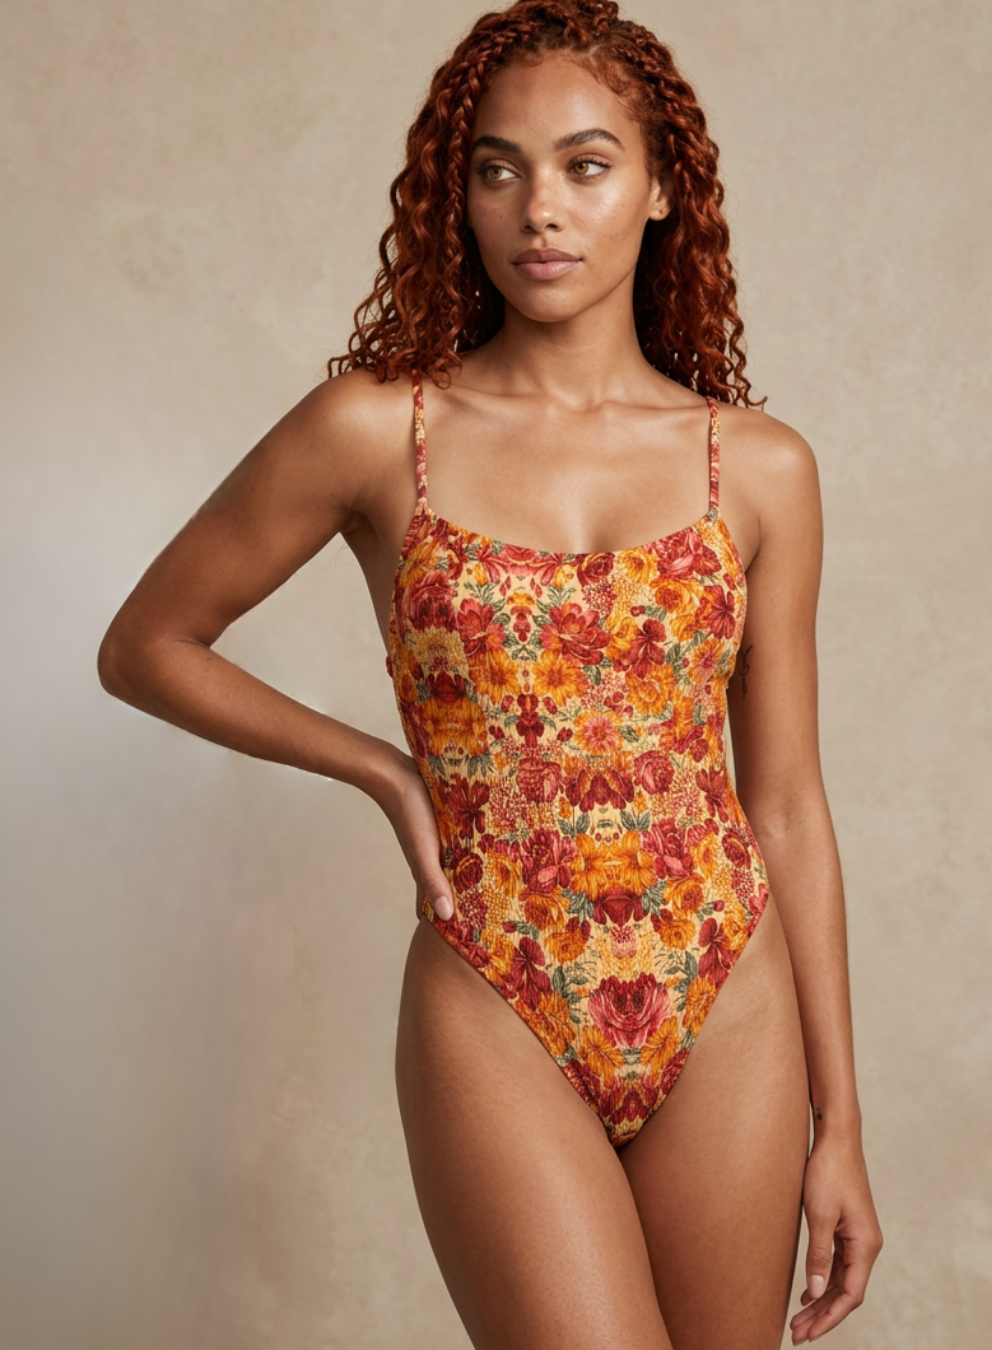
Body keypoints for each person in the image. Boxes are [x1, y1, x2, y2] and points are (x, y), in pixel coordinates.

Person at [98, 1, 883, 1345]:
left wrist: (843, 1123)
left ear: (661, 191)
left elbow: (791, 806)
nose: (541, 208)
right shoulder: (374, 430)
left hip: (728, 989)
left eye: (586, 165)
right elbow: (146, 645)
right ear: (456, 197)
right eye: (498, 169)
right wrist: (382, 768)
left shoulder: (758, 467)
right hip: (494, 984)